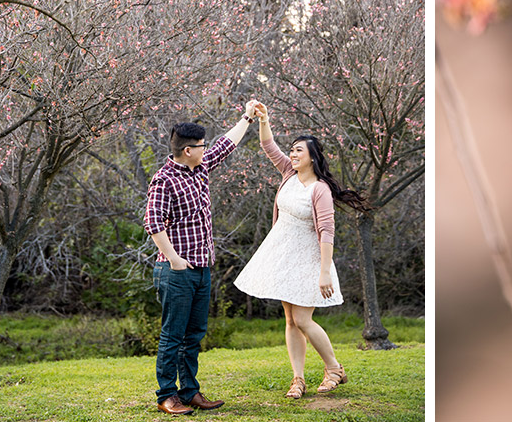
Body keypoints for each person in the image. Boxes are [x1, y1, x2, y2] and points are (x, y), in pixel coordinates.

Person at [234, 101, 367, 399]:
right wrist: (264, 119)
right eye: (291, 150)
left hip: (310, 261)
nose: (292, 154)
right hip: (284, 257)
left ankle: (334, 368)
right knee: (291, 320)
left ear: (312, 158)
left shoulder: (319, 189)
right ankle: (298, 379)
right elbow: (268, 146)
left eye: (298, 151)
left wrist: (324, 273)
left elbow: (326, 232)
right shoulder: (288, 174)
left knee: (304, 319)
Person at [143, 102, 259, 415]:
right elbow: (153, 223)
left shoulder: (201, 166)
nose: (206, 149)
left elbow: (227, 143)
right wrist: (175, 260)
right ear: (189, 150)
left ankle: (190, 392)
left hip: (202, 269)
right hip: (176, 271)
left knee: (193, 336)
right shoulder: (164, 180)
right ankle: (167, 395)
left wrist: (248, 116)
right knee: (172, 336)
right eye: (201, 146)